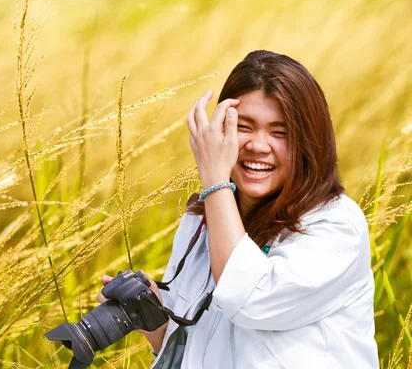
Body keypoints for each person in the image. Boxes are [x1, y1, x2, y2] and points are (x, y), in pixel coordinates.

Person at [98, 50, 379, 368]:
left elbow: (250, 301)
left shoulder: (334, 225)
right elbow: (198, 350)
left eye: (280, 132)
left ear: (309, 142)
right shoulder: (200, 219)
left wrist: (215, 180)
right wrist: (154, 317)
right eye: (243, 127)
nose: (259, 145)